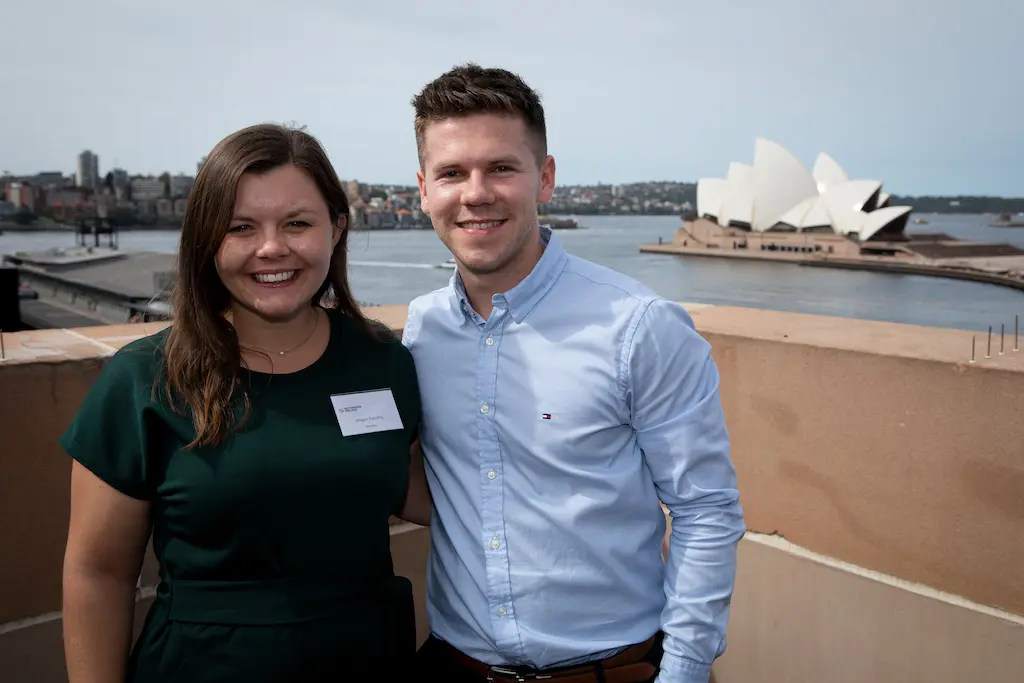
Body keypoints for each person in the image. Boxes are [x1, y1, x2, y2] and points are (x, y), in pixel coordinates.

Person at [401, 64, 746, 683]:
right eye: (452, 173)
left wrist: (686, 671)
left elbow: (706, 509)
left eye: (501, 167)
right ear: (424, 190)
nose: (475, 193)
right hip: (454, 665)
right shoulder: (422, 330)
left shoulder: (639, 327)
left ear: (546, 178)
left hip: (615, 671)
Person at [60, 123, 429, 683]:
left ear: (338, 227)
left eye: (297, 223)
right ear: (208, 241)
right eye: (241, 227)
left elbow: (419, 491)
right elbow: (98, 574)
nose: (272, 247)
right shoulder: (145, 381)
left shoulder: (384, 361)